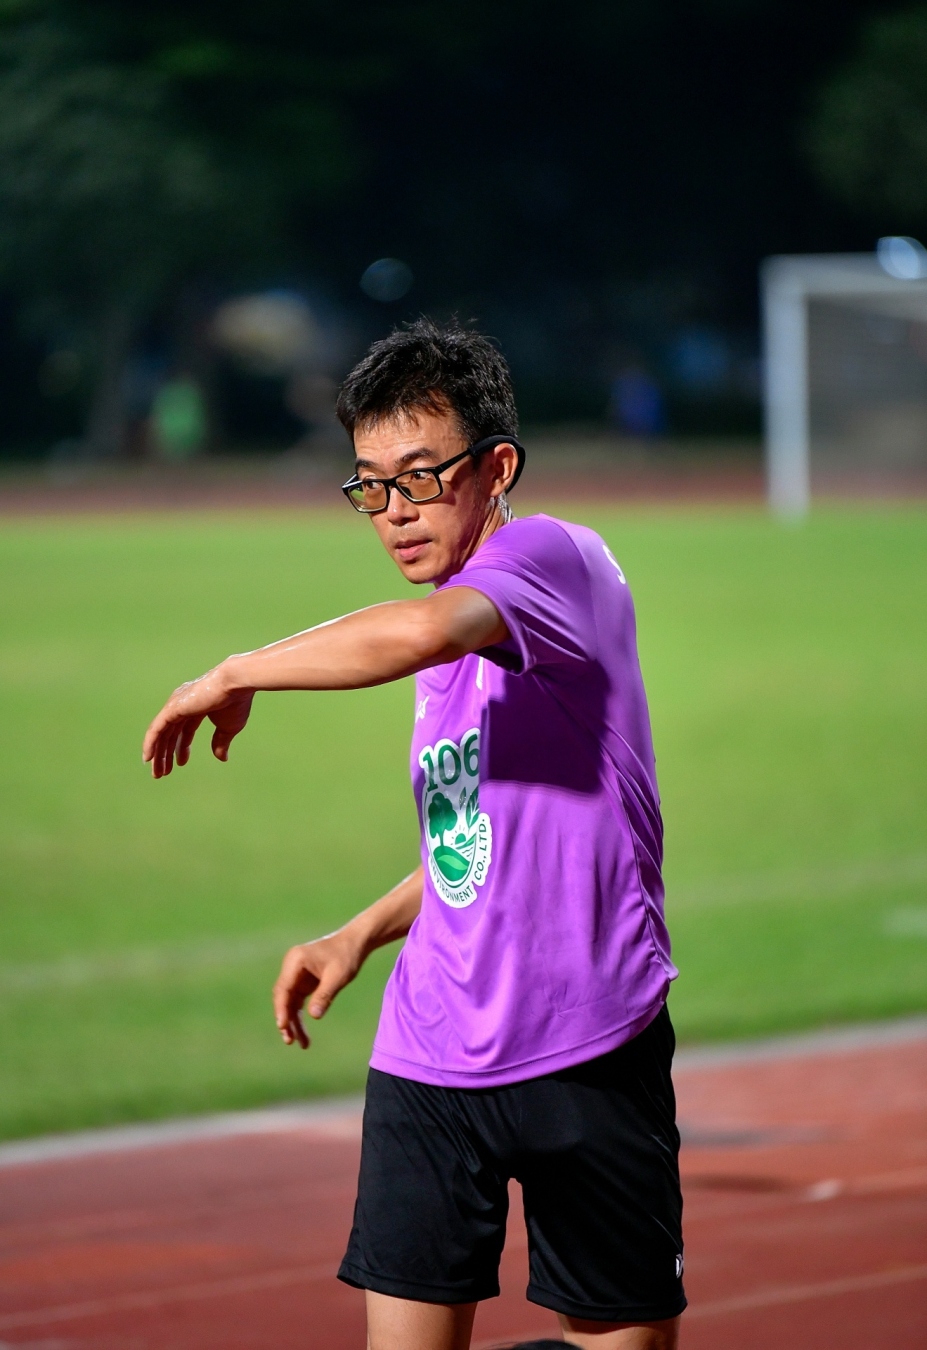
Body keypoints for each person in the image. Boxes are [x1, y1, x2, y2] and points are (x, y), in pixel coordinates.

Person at [143, 319, 685, 1350]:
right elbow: (474, 841)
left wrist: (235, 670)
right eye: (370, 485)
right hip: (429, 1051)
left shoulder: (554, 561)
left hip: (585, 1041)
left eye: (421, 477)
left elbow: (418, 633)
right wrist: (360, 931)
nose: (393, 511)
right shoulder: (448, 638)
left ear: (498, 467)